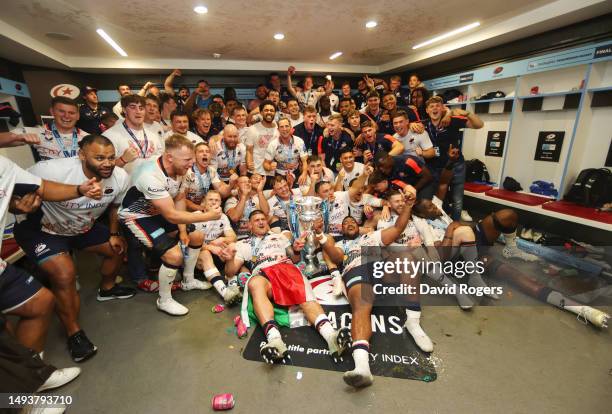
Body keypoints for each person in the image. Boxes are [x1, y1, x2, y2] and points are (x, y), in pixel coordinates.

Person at [14, 135, 135, 362]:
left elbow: (115, 208)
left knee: (117, 249)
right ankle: (74, 333)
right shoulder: (49, 170)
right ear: (81, 155)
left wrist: (114, 233)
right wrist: (22, 203)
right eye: (99, 158)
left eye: (110, 157)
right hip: (43, 229)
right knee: (65, 273)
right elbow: (14, 188)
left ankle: (107, 289)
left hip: (82, 228)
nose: (107, 163)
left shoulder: (120, 177)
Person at [221, 210, 351, 364]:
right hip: (263, 273)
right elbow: (230, 271)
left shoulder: (280, 237)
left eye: (263, 219)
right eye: (256, 220)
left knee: (304, 293)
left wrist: (296, 249)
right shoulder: (241, 244)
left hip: (285, 267)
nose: (261, 222)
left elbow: (295, 258)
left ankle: (331, 337)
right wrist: (229, 260)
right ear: (249, 225)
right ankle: (275, 340)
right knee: (255, 283)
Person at [119, 135, 230, 316]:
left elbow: (179, 198)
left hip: (160, 210)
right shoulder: (149, 175)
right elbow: (171, 215)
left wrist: (183, 230)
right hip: (137, 215)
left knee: (196, 236)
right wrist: (208, 216)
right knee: (174, 256)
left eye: (192, 159)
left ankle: (188, 280)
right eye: (187, 160)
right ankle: (164, 300)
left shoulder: (183, 170)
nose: (191, 164)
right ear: (170, 157)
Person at [318, 186, 416, 387]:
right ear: (342, 230)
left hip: (381, 271)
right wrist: (322, 237)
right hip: (357, 271)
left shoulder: (371, 236)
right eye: (345, 223)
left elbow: (398, 228)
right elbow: (335, 257)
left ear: (360, 226)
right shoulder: (342, 245)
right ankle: (362, 368)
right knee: (361, 306)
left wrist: (407, 207)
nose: (349, 223)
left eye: (352, 221)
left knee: (407, 258)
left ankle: (414, 319)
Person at [421, 96, 484, 221]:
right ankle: (440, 226)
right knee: (438, 198)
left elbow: (479, 125)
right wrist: (412, 125)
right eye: (431, 106)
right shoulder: (423, 125)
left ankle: (455, 225)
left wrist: (468, 113)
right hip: (435, 167)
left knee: (457, 198)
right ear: (427, 110)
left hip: (456, 165)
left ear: (443, 108)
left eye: (437, 106)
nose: (435, 108)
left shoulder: (453, 120)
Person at [1, 96, 88, 161]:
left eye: (71, 113)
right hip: (50, 184)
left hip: (80, 183)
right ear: (52, 112)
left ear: (78, 116)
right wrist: (15, 137)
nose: (66, 116)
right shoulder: (37, 132)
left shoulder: (88, 138)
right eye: (61, 111)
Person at [104, 94, 165, 175]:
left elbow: (160, 164)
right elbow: (102, 170)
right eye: (133, 107)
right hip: (125, 186)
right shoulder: (109, 136)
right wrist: (122, 160)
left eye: (141, 108)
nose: (138, 111)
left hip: (150, 185)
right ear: (124, 110)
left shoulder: (153, 136)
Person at [182, 143, 232, 209]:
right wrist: (200, 208)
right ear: (195, 156)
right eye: (201, 151)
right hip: (187, 210)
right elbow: (182, 199)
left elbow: (222, 192)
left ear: (210, 156)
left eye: (207, 152)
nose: (205, 154)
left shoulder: (211, 170)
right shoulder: (187, 172)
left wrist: (231, 184)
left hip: (202, 207)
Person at [263, 118, 308, 186]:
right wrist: (269, 167)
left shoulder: (299, 141)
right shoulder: (273, 144)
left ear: (290, 127)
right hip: (280, 175)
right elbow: (265, 164)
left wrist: (304, 173)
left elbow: (304, 161)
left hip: (296, 172)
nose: (284, 129)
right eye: (281, 127)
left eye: (286, 126)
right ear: (278, 129)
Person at [225, 175, 270, 240]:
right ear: (237, 186)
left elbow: (266, 212)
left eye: (249, 182)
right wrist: (244, 196)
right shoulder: (231, 201)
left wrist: (259, 191)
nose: (247, 183)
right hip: (240, 238)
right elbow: (235, 217)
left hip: (258, 235)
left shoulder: (255, 199)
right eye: (243, 182)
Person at [245, 100, 279, 181]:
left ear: (275, 113)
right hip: (256, 171)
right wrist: (249, 163)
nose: (269, 112)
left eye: (272, 110)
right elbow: (249, 150)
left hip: (273, 171)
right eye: (266, 110)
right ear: (261, 112)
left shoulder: (279, 129)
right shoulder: (252, 129)